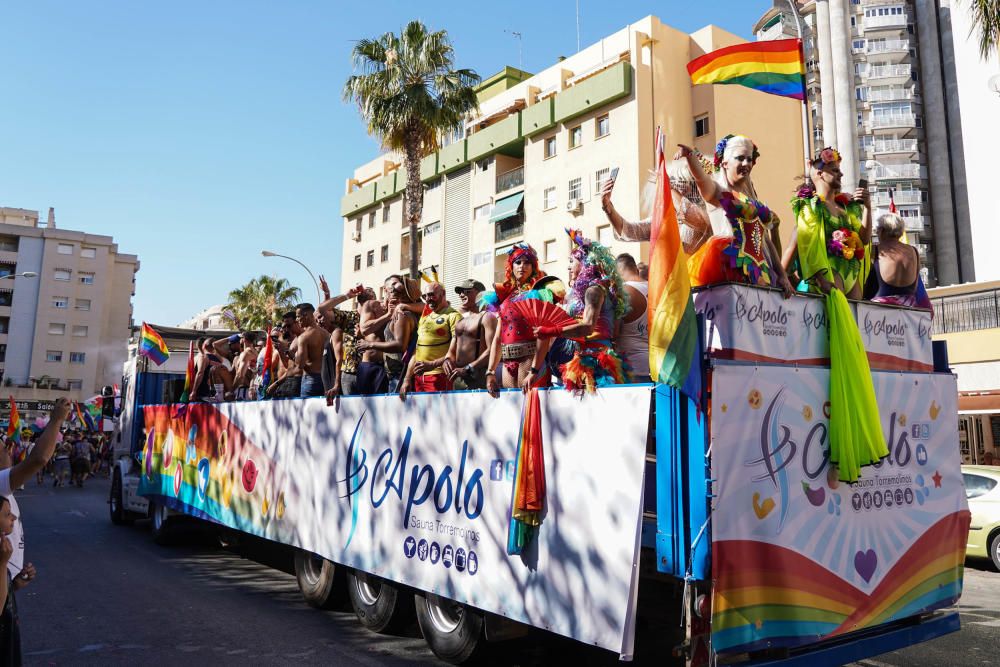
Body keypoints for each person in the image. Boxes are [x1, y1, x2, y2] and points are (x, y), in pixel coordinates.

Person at [792, 147, 886, 483]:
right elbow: (811, 247)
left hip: (846, 297)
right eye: (832, 168)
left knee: (849, 372)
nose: (839, 174)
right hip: (826, 296)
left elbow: (862, 242)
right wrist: (828, 284)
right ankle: (835, 458)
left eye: (839, 169)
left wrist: (868, 208)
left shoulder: (845, 208)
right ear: (816, 171)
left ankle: (846, 454)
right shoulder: (809, 206)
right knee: (832, 375)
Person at [676, 136, 793, 296]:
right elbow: (702, 179)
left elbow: (765, 239)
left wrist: (782, 275)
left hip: (762, 272)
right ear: (725, 163)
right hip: (730, 268)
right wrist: (690, 156)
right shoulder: (718, 192)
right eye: (740, 158)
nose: (746, 163)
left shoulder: (753, 200)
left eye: (749, 159)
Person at [533, 229, 629, 394]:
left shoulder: (594, 290)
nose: (568, 266)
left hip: (597, 362)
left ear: (585, 263)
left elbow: (588, 327)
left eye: (572, 261)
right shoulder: (581, 293)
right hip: (581, 357)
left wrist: (552, 331)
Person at [483, 245, 552, 397]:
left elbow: (544, 335)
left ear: (533, 267)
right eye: (518, 262)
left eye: (527, 263)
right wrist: (490, 371)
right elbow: (498, 336)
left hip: (530, 361)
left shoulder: (539, 294)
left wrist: (534, 369)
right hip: (507, 364)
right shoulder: (505, 297)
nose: (522, 266)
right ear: (511, 266)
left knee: (531, 413)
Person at [356, 275, 420, 393]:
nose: (397, 288)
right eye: (393, 286)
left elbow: (426, 306)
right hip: (372, 365)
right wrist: (387, 316)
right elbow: (364, 329)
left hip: (396, 370)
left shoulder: (403, 311)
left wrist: (403, 305)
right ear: (385, 289)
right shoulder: (372, 305)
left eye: (400, 286)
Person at [399, 282, 461, 399]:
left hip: (440, 376)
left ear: (443, 294)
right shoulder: (425, 317)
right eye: (425, 296)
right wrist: (407, 378)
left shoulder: (453, 316)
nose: (428, 299)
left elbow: (458, 351)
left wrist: (432, 365)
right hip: (419, 378)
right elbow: (416, 351)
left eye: (432, 295)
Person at [870, 213, 932, 310]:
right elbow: (916, 284)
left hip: (881, 311)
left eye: (876, 231)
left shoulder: (876, 250)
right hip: (909, 309)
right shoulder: (914, 251)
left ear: (881, 231)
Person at [447, 279, 497, 390]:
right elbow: (452, 350)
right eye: (460, 292)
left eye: (467, 291)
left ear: (479, 294)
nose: (461, 294)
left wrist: (469, 367)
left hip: (478, 375)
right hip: (459, 376)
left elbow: (493, 350)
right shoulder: (460, 320)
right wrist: (447, 359)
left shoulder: (488, 317)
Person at [615, 253, 650, 383]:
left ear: (618, 272)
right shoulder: (656, 289)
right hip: (658, 364)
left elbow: (614, 332)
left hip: (632, 366)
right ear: (635, 268)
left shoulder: (623, 292)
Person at [353, 288, 390, 395]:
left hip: (382, 364)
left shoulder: (388, 308)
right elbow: (365, 331)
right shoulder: (367, 310)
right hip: (368, 364)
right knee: (363, 403)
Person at [291, 303, 328, 398]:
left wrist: (294, 356)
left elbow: (300, 365)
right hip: (325, 379)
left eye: (298, 316)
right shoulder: (326, 333)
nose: (297, 320)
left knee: (307, 412)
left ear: (306, 316)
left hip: (310, 379)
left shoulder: (304, 337)